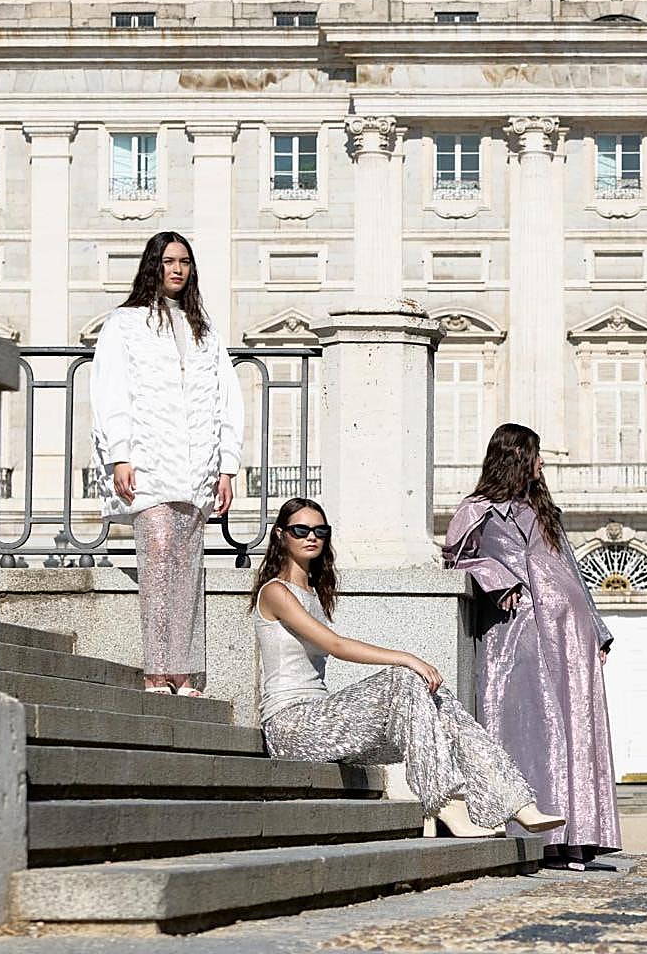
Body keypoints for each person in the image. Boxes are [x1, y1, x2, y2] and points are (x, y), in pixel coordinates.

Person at [250, 497, 565, 838]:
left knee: (438, 700)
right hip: (291, 727)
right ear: (281, 535)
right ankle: (445, 802)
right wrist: (408, 657)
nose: (311, 537)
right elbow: (336, 646)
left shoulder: (313, 591)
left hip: (322, 722)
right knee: (404, 677)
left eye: (320, 531)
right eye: (300, 530)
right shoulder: (275, 592)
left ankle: (516, 801)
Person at [443, 423, 621, 869]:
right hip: (518, 629)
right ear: (517, 458)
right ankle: (532, 834)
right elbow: (453, 558)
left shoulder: (546, 511)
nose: (542, 464)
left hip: (570, 631)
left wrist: (596, 628)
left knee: (576, 730)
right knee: (533, 726)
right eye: (537, 455)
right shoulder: (476, 510)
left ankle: (576, 839)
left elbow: (573, 572)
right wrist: (497, 579)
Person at [91, 231, 243, 696]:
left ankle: (184, 669)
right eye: (168, 261)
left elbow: (227, 399)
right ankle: (156, 669)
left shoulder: (205, 331)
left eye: (184, 262)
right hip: (150, 463)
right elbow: (110, 389)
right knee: (157, 556)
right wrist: (120, 453)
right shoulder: (125, 323)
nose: (177, 269)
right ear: (152, 265)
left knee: (187, 567)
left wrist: (228, 466)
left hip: (196, 467)